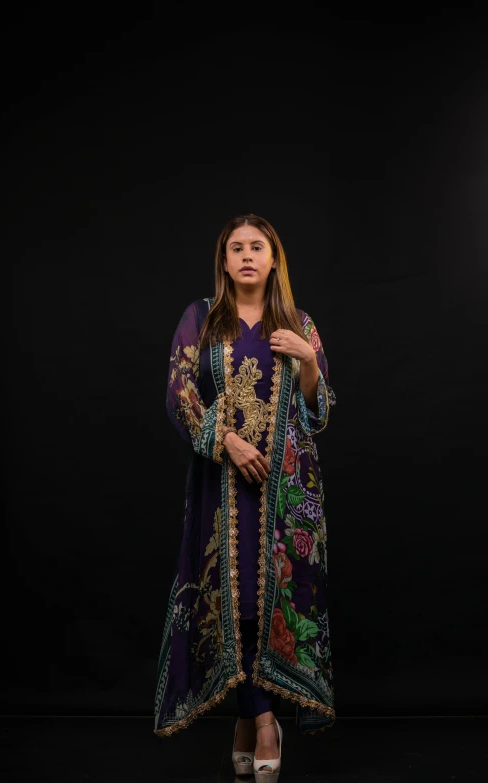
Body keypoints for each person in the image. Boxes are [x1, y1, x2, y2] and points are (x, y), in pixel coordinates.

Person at [153, 213, 337, 780]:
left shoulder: (298, 322)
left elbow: (319, 412)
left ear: (274, 257)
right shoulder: (201, 319)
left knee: (274, 604)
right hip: (222, 488)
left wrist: (306, 362)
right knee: (233, 604)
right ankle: (258, 720)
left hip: (287, 492)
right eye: (237, 248)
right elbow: (179, 393)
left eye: (258, 247)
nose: (247, 256)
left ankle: (256, 722)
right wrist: (227, 442)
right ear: (225, 261)